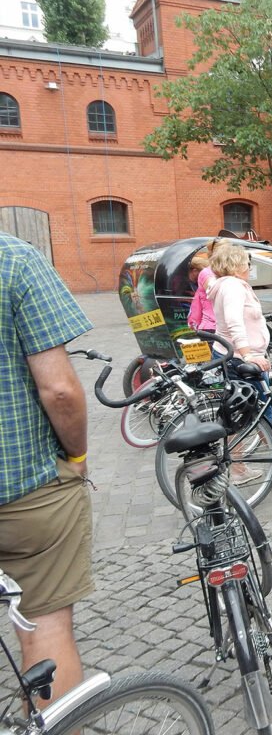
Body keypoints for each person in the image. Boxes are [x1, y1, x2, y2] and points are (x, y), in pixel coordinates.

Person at [0, 233, 92, 707]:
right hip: (23, 488)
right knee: (44, 627)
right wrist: (76, 457)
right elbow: (59, 390)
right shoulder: (12, 258)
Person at [207, 242, 272, 483]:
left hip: (232, 356)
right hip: (238, 360)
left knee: (239, 413)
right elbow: (235, 323)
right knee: (256, 412)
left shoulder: (225, 285)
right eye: (246, 261)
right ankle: (246, 466)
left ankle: (269, 457)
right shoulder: (233, 286)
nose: (249, 266)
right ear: (235, 265)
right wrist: (248, 355)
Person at [187, 240, 218, 331]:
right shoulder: (206, 274)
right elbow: (215, 290)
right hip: (211, 326)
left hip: (212, 325)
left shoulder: (211, 273)